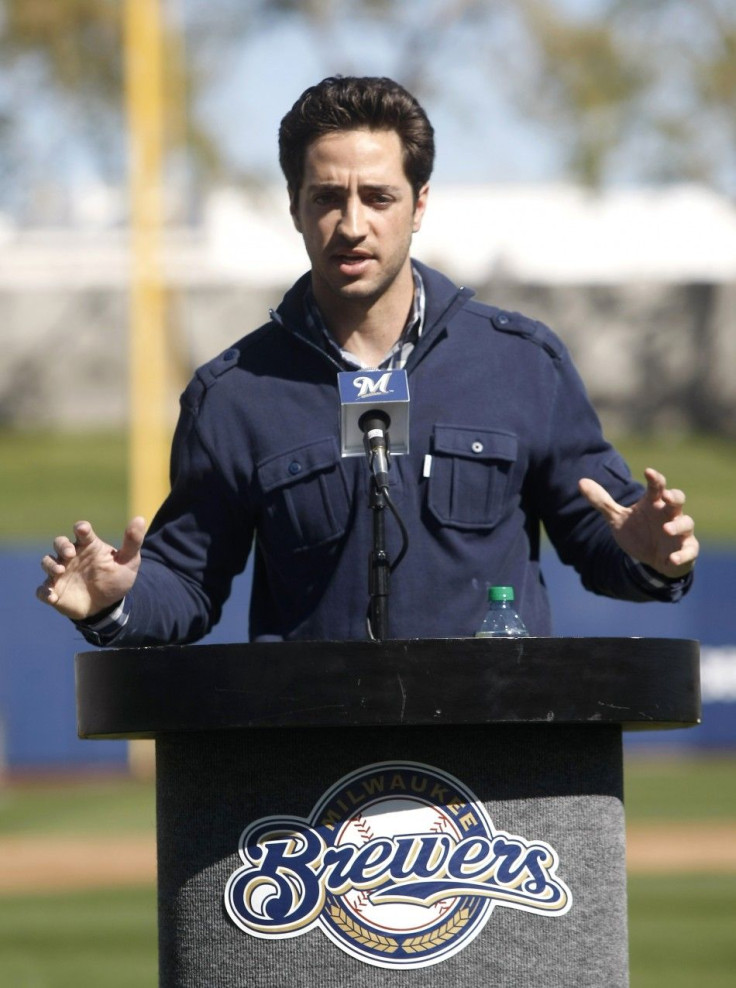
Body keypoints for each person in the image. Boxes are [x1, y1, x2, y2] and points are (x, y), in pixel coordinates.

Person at [37, 76, 698, 645]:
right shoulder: (233, 395)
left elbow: (602, 534)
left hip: (492, 758)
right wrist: (114, 600)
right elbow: (187, 583)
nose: (352, 224)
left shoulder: (521, 364)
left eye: (378, 197)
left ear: (420, 205)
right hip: (319, 767)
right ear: (294, 208)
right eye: (327, 197)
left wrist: (652, 557)